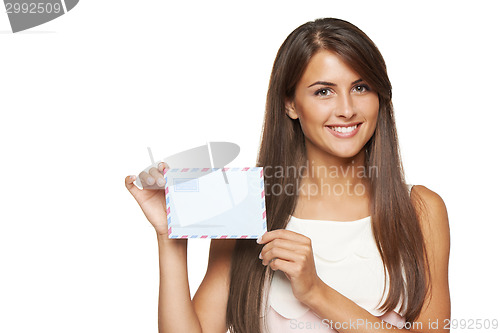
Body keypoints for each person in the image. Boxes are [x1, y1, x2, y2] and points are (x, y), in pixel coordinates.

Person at [125, 17, 450, 333]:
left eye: (361, 87)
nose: (347, 109)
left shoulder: (420, 208)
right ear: (290, 104)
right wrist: (169, 236)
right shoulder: (246, 204)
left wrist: (314, 292)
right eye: (324, 91)